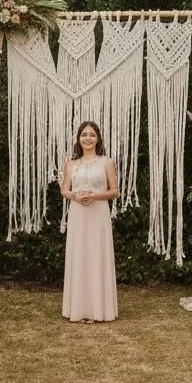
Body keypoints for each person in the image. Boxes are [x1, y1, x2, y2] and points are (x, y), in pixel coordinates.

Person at [60, 120, 119, 323]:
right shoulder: (71, 164)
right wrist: (75, 195)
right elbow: (64, 189)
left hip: (98, 213)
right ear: (78, 138)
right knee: (79, 256)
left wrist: (95, 196)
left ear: (98, 138)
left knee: (97, 255)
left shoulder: (107, 162)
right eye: (84, 134)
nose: (88, 138)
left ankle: (99, 309)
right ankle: (79, 309)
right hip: (78, 213)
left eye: (92, 135)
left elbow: (115, 191)